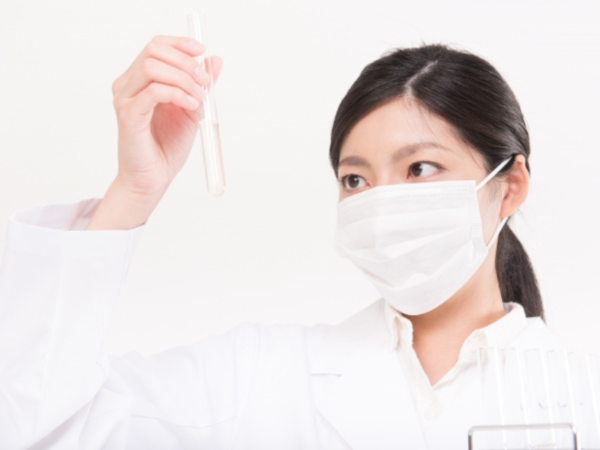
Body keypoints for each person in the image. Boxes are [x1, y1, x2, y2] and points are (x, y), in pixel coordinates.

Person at [0, 35, 564, 449]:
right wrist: (133, 191)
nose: (382, 203)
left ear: (510, 186)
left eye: (419, 168)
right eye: (356, 180)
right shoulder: (258, 378)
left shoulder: (575, 395)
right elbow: (41, 426)